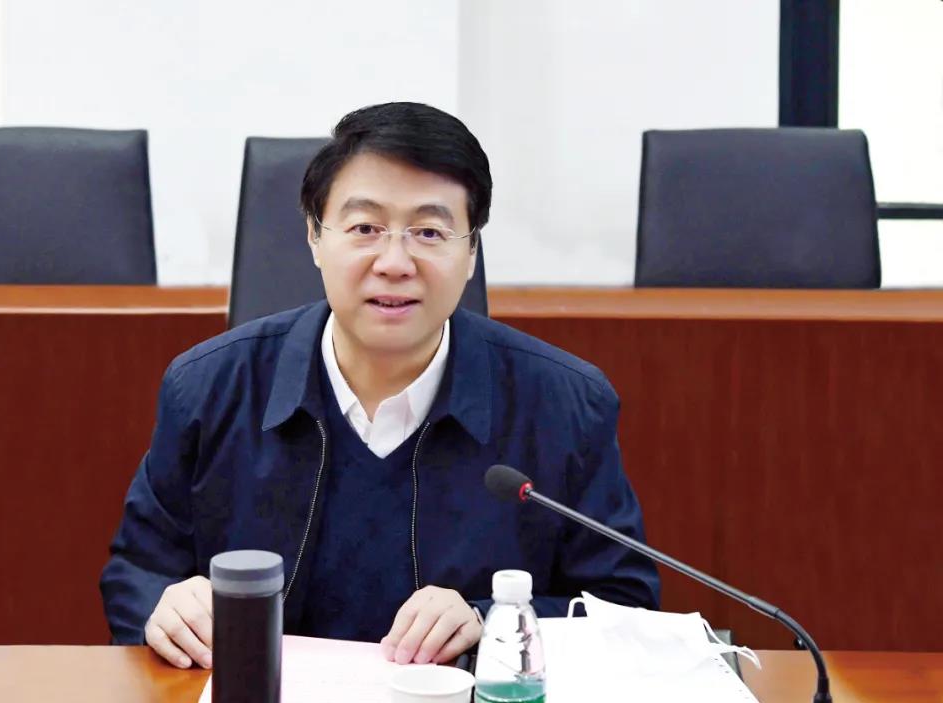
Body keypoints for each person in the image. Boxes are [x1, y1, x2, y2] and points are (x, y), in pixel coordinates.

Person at [100, 102, 659, 670]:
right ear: (315, 237)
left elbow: (625, 607)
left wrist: (492, 620)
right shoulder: (209, 387)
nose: (395, 262)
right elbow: (139, 572)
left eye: (429, 231)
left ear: (471, 251)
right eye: (365, 228)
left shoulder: (565, 405)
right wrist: (166, 606)